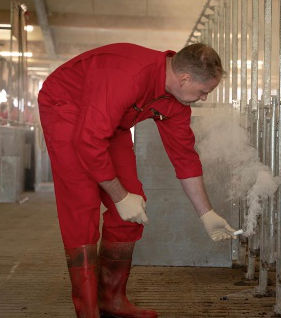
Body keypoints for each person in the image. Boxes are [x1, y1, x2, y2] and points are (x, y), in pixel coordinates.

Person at [38, 42, 236, 318]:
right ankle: (87, 310)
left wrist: (207, 213)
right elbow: (88, 142)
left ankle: (111, 299)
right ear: (185, 79)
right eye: (204, 91)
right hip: (66, 105)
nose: (204, 97)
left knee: (133, 207)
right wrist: (119, 196)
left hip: (110, 121)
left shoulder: (175, 100)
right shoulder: (128, 76)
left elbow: (185, 158)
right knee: (82, 203)